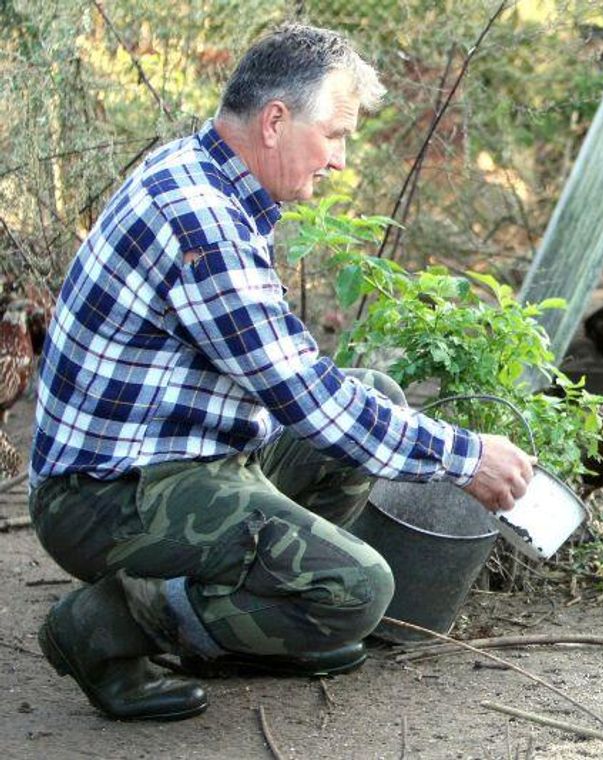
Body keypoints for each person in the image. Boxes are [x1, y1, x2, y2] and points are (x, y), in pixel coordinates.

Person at [27, 23, 534, 722]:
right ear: (275, 121)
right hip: (103, 498)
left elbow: (305, 392)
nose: (342, 161)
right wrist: (465, 455)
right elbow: (308, 398)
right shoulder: (202, 221)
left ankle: (251, 624)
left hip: (170, 455)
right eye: (336, 135)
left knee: (374, 398)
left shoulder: (207, 174)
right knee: (355, 590)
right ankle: (112, 623)